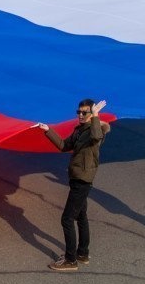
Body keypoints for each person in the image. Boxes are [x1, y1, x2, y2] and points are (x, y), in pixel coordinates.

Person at [36, 100, 109, 271]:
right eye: (79, 112)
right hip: (77, 177)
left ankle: (71, 260)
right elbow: (63, 145)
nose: (81, 115)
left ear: (92, 114)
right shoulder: (79, 130)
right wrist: (48, 130)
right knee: (81, 216)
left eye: (85, 113)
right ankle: (82, 253)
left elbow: (97, 136)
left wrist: (96, 114)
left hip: (83, 180)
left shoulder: (95, 132)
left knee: (67, 219)